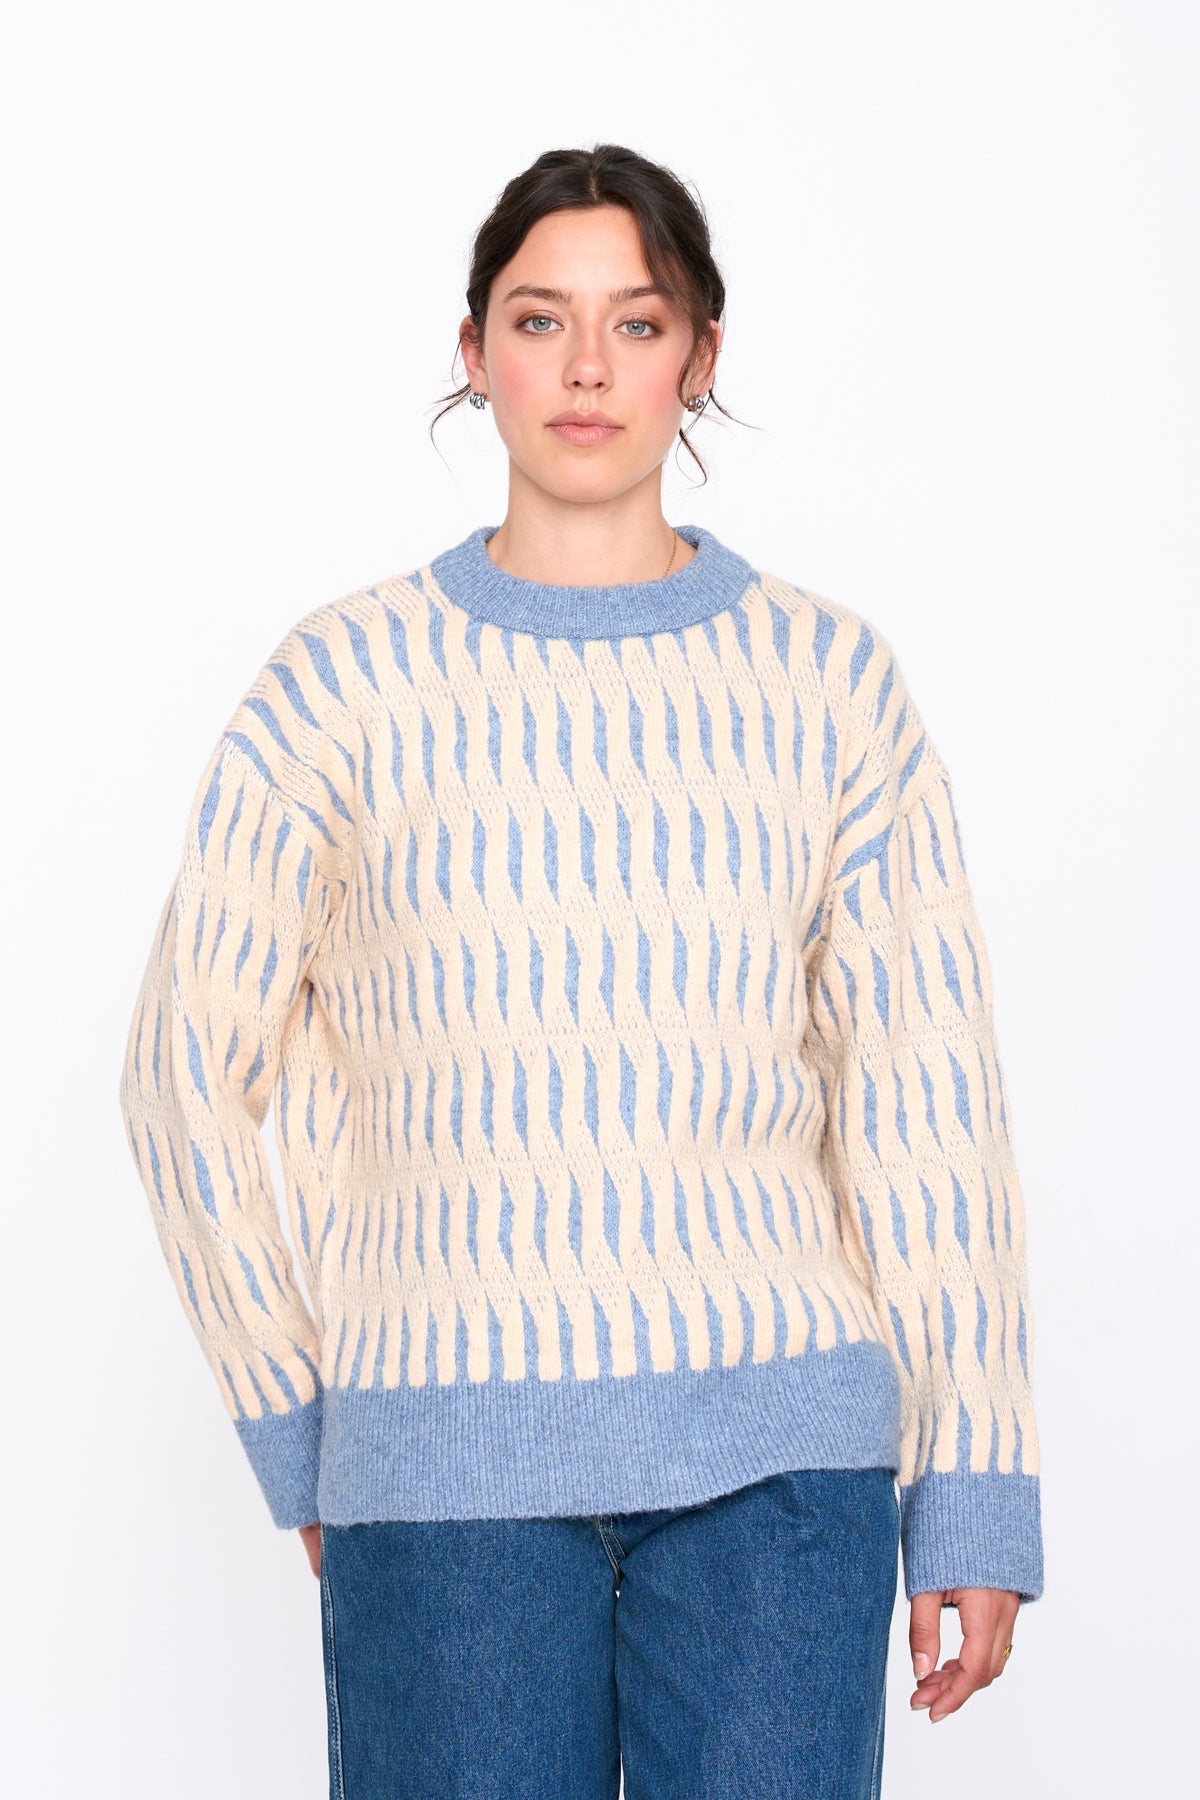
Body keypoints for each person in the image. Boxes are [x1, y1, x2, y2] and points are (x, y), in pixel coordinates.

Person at [118, 142, 1045, 1800]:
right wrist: (299, 1422)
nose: (590, 367)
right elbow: (180, 1074)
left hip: (782, 1481)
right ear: (474, 352)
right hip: (442, 1478)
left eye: (639, 320)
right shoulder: (342, 687)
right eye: (542, 319)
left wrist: (972, 1485)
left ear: (701, 354)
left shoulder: (828, 684)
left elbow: (927, 1101)